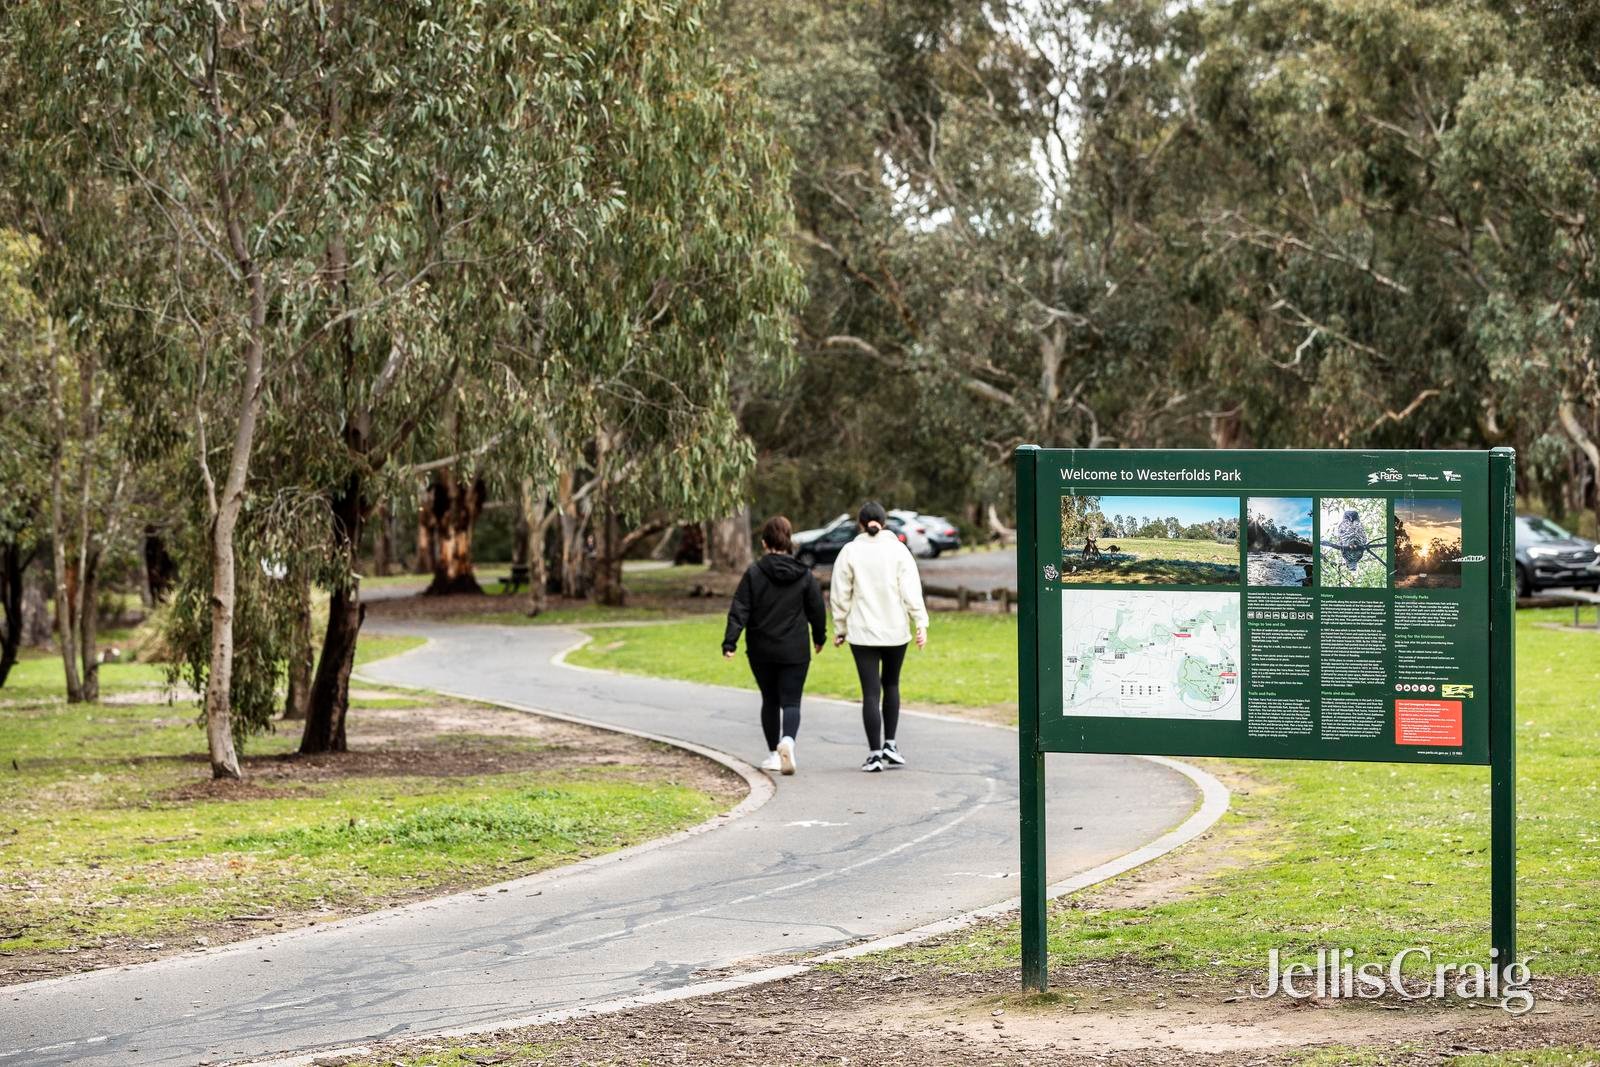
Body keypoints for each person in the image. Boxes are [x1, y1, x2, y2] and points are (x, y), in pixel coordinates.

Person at [722, 516, 826, 775]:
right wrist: (819, 637)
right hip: (795, 649)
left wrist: (730, 641)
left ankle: (773, 755)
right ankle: (788, 741)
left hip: (761, 648)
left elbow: (740, 608)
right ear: (788, 541)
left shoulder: (754, 573)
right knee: (791, 702)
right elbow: (817, 609)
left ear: (764, 542)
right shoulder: (805, 574)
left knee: (770, 700)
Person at [830, 501, 928, 772]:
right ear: (884, 522)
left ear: (860, 524)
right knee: (892, 685)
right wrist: (921, 622)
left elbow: (840, 595)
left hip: (862, 633)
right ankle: (891, 745)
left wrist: (840, 628)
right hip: (896, 631)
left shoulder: (849, 551)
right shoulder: (899, 551)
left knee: (870, 692)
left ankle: (874, 753)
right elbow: (911, 590)